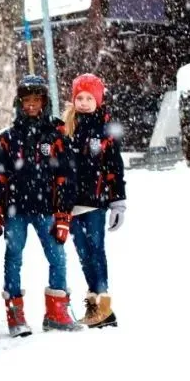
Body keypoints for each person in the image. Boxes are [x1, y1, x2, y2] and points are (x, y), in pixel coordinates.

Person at [0, 74, 81, 336]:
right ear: (19, 104)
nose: (31, 105)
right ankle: (15, 315)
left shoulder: (57, 134)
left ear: (45, 102)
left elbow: (66, 176)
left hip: (47, 210)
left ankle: (56, 312)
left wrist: (63, 214)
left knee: (57, 257)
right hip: (15, 211)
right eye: (26, 100)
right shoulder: (7, 138)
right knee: (13, 258)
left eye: (36, 100)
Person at [62, 73, 126, 329]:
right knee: (83, 253)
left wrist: (118, 201)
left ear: (98, 100)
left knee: (96, 250)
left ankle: (103, 304)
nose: (85, 102)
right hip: (72, 203)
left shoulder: (105, 129)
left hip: (96, 202)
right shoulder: (66, 127)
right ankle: (94, 302)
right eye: (80, 98)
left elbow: (115, 167)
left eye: (90, 98)